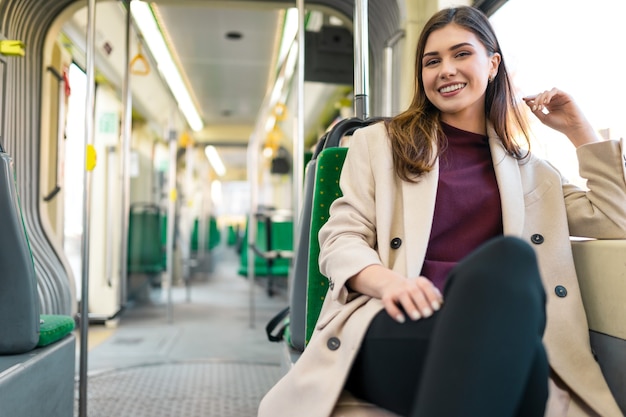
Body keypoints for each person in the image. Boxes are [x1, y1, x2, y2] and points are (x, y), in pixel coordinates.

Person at [258, 5, 626, 417]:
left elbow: (616, 218)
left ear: (492, 64)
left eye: (461, 54)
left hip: (488, 328)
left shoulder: (531, 172)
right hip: (396, 316)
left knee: (515, 287)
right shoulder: (379, 145)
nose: (445, 70)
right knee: (522, 346)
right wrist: (389, 284)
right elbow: (341, 238)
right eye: (432, 61)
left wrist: (580, 131)